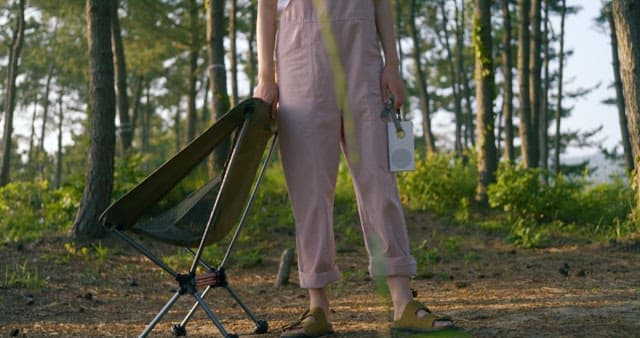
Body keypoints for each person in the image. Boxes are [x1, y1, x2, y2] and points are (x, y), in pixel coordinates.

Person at [254, 0, 457, 337]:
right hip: (299, 56)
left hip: (362, 58)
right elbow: (266, 6)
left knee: (379, 182)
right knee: (310, 190)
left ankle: (403, 303)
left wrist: (392, 64)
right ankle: (317, 306)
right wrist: (265, 76)